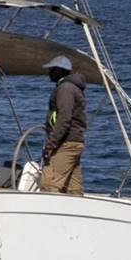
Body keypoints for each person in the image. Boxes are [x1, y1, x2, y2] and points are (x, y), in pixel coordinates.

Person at [39, 56, 87, 195]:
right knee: (73, 189)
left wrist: (50, 145)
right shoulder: (73, 87)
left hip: (65, 143)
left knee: (49, 184)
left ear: (58, 71)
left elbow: (64, 118)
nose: (49, 73)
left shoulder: (65, 89)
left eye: (51, 70)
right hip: (75, 142)